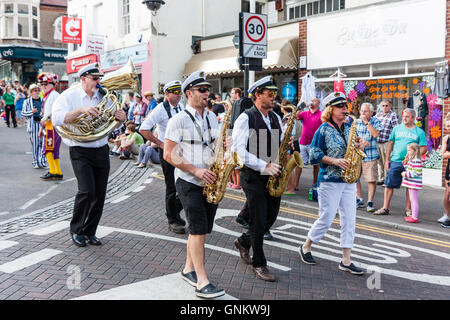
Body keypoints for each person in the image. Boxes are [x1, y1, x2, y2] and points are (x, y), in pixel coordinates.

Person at [164, 70, 225, 299]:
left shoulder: (210, 116)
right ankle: (202, 281)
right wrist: (196, 169)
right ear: (189, 93)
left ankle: (188, 269)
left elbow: (213, 142)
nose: (207, 93)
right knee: (198, 230)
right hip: (189, 182)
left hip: (209, 182)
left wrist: (224, 145)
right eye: (202, 90)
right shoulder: (178, 120)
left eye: (208, 89)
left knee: (201, 230)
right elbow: (169, 154)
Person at [52, 63, 127, 247]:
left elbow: (109, 124)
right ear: (83, 78)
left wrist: (120, 120)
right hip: (80, 149)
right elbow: (56, 119)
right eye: (94, 79)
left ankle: (90, 231)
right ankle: (77, 230)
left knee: (100, 194)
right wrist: (80, 111)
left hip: (101, 149)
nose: (98, 82)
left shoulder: (104, 95)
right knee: (86, 190)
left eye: (99, 78)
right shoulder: (69, 96)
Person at [299, 92, 367, 276]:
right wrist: (334, 161)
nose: (345, 109)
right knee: (326, 217)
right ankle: (306, 246)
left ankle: (346, 260)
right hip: (329, 180)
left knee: (349, 220)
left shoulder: (349, 126)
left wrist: (360, 145)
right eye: (340, 107)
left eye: (345, 106)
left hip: (349, 180)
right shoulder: (323, 130)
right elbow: (314, 154)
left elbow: (353, 146)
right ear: (330, 110)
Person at [232, 76, 283, 282]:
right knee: (259, 217)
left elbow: (279, 143)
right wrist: (264, 166)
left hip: (272, 175)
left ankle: (244, 242)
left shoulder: (276, 118)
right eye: (270, 94)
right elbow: (239, 151)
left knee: (270, 217)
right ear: (257, 95)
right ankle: (259, 263)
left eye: (274, 94)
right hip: (253, 176)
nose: (274, 97)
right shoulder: (245, 118)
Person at [139, 80, 186, 234]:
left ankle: (173, 212)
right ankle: (172, 220)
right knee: (172, 187)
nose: (179, 95)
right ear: (166, 94)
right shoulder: (160, 109)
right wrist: (159, 143)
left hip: (181, 151)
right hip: (168, 151)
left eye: (180, 92)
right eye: (175, 92)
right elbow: (144, 128)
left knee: (185, 184)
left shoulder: (180, 106)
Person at [374, 108, 427, 216]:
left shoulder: (419, 132)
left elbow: (424, 148)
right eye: (403, 116)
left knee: (410, 186)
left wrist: (412, 158)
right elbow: (390, 143)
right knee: (389, 184)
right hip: (396, 160)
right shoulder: (397, 129)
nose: (404, 118)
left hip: (410, 164)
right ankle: (385, 208)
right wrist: (387, 160)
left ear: (413, 118)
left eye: (407, 116)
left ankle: (408, 209)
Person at [355, 102, 382, 212]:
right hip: (357, 153)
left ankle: (370, 202)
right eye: (361, 111)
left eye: (365, 111)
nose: (362, 113)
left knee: (371, 179)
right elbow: (354, 136)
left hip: (370, 154)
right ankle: (359, 198)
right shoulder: (356, 122)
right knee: (355, 177)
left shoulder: (376, 121)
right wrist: (359, 141)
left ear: (371, 112)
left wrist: (366, 122)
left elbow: (375, 134)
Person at [37, 73, 63, 181]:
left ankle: (53, 171)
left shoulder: (54, 95)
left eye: (46, 84)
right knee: (54, 150)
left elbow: (55, 112)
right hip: (50, 126)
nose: (43, 86)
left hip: (52, 126)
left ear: (52, 84)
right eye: (42, 84)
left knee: (48, 149)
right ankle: (57, 172)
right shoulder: (48, 95)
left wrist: (45, 119)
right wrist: (42, 127)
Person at [297, 97, 322, 195]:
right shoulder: (305, 113)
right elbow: (296, 116)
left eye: (314, 101)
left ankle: (315, 185)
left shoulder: (321, 114)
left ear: (318, 103)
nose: (312, 102)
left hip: (314, 144)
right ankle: (295, 185)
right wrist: (302, 107)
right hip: (303, 142)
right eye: (311, 100)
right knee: (300, 164)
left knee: (316, 166)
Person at [21, 84, 47, 169]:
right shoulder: (27, 101)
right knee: (35, 145)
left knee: (43, 144)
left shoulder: (43, 100)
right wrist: (31, 112)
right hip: (33, 125)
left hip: (42, 125)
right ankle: (36, 162)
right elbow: (23, 113)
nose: (37, 92)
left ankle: (43, 161)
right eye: (35, 91)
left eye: (38, 90)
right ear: (31, 92)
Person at [374, 100, 399, 185]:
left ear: (390, 106)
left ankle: (387, 179)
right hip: (378, 141)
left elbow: (396, 129)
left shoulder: (393, 115)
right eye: (383, 106)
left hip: (387, 142)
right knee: (379, 161)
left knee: (386, 161)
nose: (384, 107)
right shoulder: (378, 115)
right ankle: (381, 178)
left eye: (386, 105)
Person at [401, 143, 423, 223]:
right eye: (407, 150)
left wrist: (405, 174)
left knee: (413, 200)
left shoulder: (416, 161)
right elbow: (410, 169)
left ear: (415, 151)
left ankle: (414, 217)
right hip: (411, 183)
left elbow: (417, 172)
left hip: (414, 184)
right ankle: (413, 215)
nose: (408, 152)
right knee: (412, 199)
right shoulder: (412, 160)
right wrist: (405, 164)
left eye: (409, 150)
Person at [440, 114, 450, 227]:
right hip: (449, 169)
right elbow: (443, 155)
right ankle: (447, 215)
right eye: (447, 126)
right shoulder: (446, 138)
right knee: (447, 193)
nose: (448, 128)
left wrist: (448, 154)